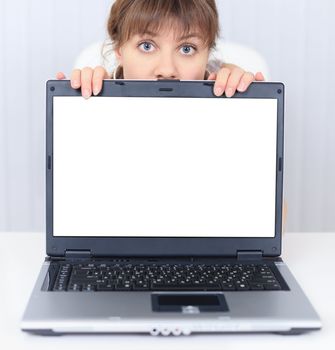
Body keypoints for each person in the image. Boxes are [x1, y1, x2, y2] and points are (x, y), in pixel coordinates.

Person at [56, 0, 287, 230]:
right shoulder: (96, 108)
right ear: (119, 51)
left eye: (187, 49)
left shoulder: (228, 109)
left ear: (208, 56)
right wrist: (83, 116)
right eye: (147, 46)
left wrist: (248, 122)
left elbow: (276, 222)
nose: (167, 70)